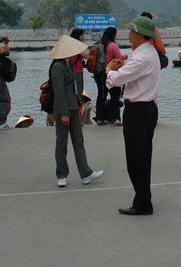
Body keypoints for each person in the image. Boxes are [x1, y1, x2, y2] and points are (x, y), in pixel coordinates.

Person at [106, 15, 162, 216]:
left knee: (135, 157)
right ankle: (143, 196)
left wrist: (109, 69)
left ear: (138, 34)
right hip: (148, 108)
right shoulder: (148, 53)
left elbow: (117, 79)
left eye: (131, 31)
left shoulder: (141, 57)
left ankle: (143, 203)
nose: (128, 33)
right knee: (143, 155)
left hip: (137, 110)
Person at [49, 34, 104, 188]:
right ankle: (61, 174)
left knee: (78, 141)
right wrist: (64, 113)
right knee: (62, 143)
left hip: (73, 107)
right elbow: (59, 92)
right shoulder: (58, 67)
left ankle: (85, 173)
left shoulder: (68, 64)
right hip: (64, 110)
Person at [99, 27, 126, 125]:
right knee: (115, 96)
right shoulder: (113, 45)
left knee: (102, 96)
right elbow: (119, 57)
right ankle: (113, 118)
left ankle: (100, 118)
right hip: (111, 72)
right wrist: (125, 56)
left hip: (101, 73)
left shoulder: (100, 44)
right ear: (113, 35)